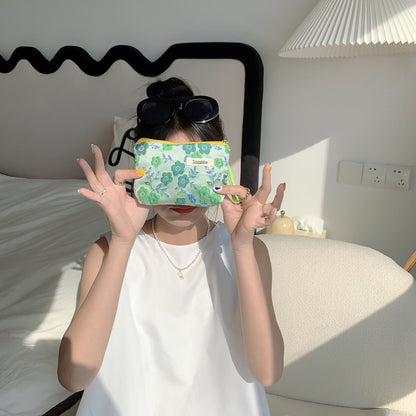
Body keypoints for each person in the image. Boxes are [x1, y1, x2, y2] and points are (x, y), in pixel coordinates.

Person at [58, 77, 285, 416]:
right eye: (165, 172)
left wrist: (241, 249)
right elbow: (74, 378)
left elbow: (267, 373)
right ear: (141, 169)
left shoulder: (249, 252)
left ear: (218, 168)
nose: (180, 194)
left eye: (193, 172)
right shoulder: (106, 251)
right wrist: (122, 242)